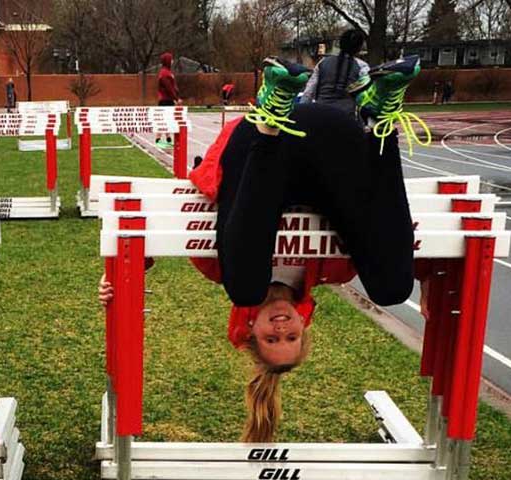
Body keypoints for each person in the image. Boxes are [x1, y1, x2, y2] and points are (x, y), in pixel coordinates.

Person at [101, 56, 428, 442]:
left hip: (259, 142)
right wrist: (429, 283)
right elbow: (387, 235)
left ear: (249, 328)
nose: (282, 329)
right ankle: (381, 118)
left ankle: (271, 115)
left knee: (244, 287)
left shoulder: (216, 268)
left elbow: (153, 231)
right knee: (392, 289)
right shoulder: (333, 270)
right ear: (304, 325)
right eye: (292, 337)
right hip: (333, 143)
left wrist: (116, 277)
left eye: (272, 339)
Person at [300, 29, 369, 116]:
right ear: (359, 48)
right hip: (346, 116)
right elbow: (364, 97)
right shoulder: (362, 67)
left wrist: (301, 113)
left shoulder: (323, 63)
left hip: (321, 113)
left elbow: (309, 92)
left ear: (340, 44)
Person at [156, 52, 181, 148]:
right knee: (164, 120)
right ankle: (158, 139)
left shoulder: (167, 72)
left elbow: (173, 86)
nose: (172, 61)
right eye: (171, 59)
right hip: (165, 100)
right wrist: (176, 98)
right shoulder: (165, 73)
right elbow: (169, 87)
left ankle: (168, 138)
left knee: (167, 120)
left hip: (168, 99)